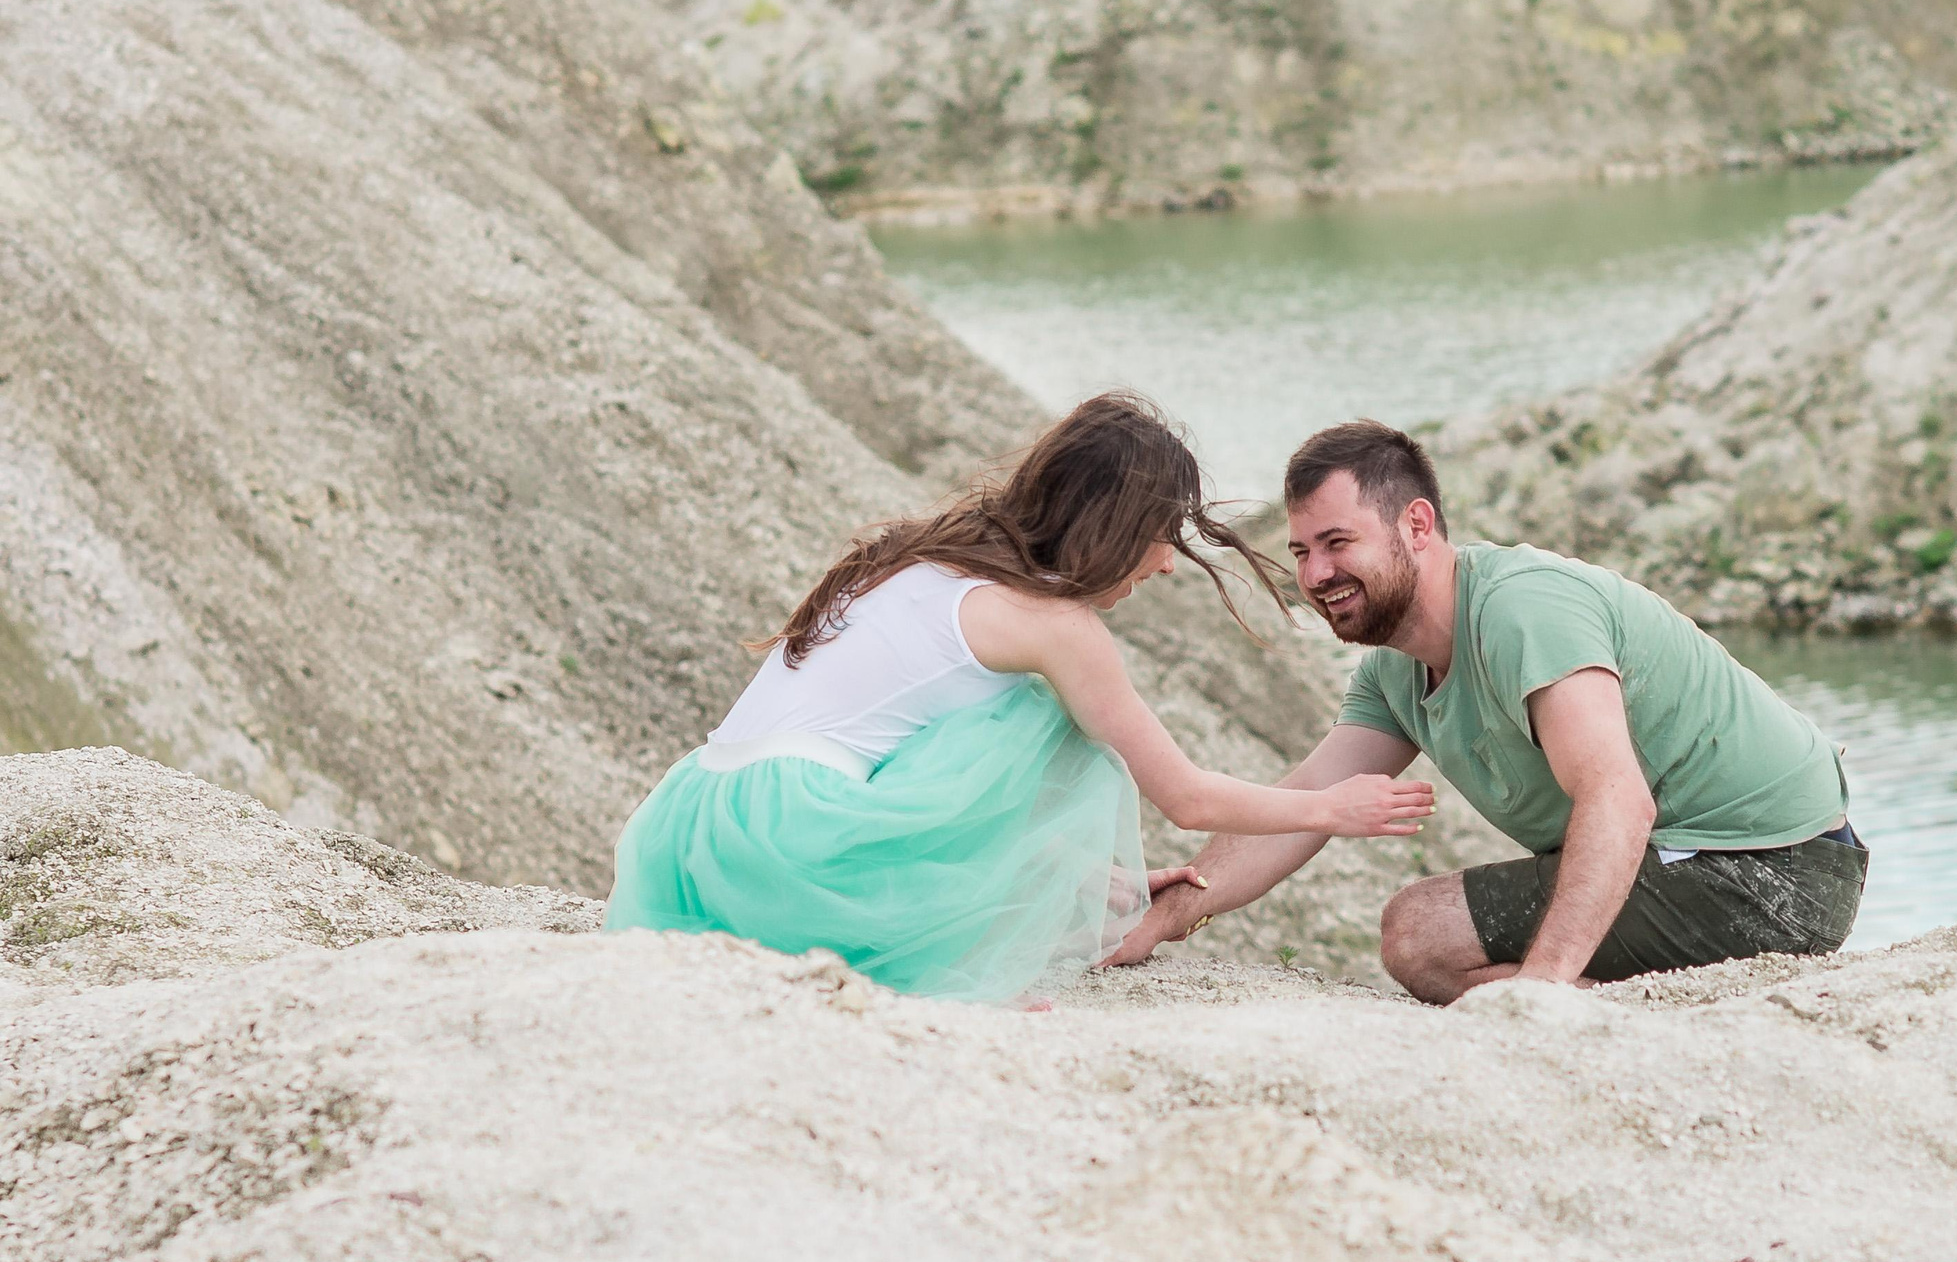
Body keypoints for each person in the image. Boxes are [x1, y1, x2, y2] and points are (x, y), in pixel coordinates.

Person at [604, 393, 1434, 1001]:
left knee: (999, 713)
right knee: (1052, 723)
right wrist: (1331, 809)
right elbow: (1184, 798)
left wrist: (1068, 871)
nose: (1167, 563)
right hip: (793, 851)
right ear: (1115, 523)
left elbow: (898, 755)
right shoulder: (1053, 623)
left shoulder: (922, 555)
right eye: (1162, 535)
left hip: (695, 831)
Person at [1108, 420, 1865, 1002]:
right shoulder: (1394, 670)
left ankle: (1561, 1006)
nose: (1317, 574)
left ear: (1417, 526)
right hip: (1685, 861)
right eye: (1302, 551)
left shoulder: (1521, 610)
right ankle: (1611, 1009)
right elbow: (1305, 802)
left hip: (1774, 868)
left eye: (1338, 543)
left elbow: (1617, 798)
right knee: (1421, 941)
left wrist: (1537, 993)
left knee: (1423, 932)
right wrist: (1162, 919)